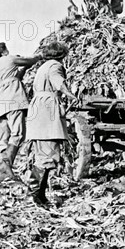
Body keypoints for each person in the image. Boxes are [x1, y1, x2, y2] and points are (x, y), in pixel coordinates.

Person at [25, 41, 77, 206]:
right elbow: (59, 83)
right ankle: (36, 195)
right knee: (49, 155)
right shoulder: (55, 66)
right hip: (47, 110)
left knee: (44, 154)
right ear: (61, 55)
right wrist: (71, 96)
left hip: (39, 108)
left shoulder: (43, 66)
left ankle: (38, 194)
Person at [0, 42, 42, 182]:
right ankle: (6, 168)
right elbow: (30, 60)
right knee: (18, 134)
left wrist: (24, 69)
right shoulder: (10, 58)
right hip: (12, 98)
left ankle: (1, 171)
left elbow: (14, 77)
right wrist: (39, 56)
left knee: (2, 137)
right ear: (4, 51)